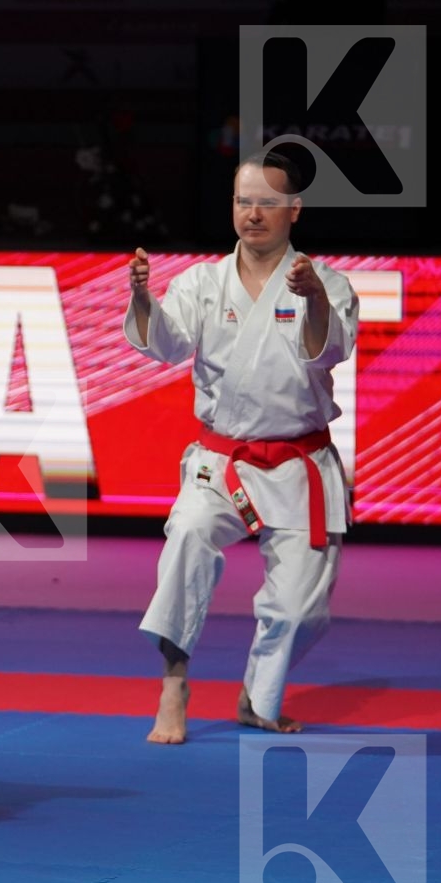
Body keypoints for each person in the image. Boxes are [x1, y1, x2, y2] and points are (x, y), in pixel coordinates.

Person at [126, 152, 360, 744]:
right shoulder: (204, 282)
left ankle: (258, 697)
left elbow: (326, 352)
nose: (252, 214)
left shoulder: (327, 283)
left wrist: (312, 300)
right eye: (242, 201)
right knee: (187, 538)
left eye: (266, 203)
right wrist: (142, 298)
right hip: (222, 462)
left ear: (294, 209)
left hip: (300, 466)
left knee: (303, 611)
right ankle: (174, 684)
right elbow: (165, 345)